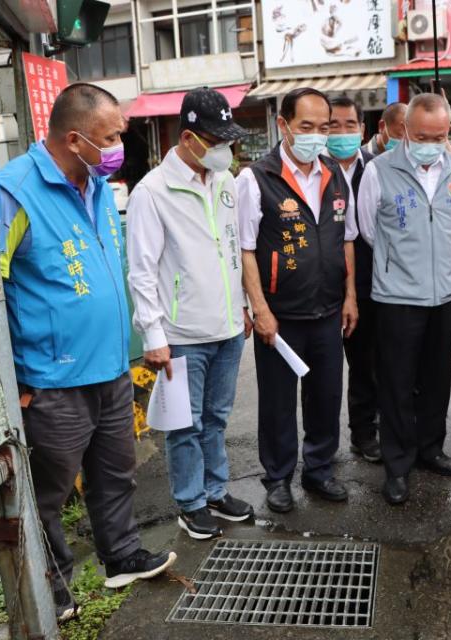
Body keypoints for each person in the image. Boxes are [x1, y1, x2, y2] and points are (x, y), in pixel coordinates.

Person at [0, 83, 175, 621]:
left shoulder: (96, 183)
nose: (121, 144)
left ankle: (120, 556)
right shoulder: (16, 191)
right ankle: (52, 587)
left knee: (116, 472)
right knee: (48, 492)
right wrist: (15, 382)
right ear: (74, 139)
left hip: (109, 367)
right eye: (112, 136)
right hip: (51, 379)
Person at [126, 88, 254, 541]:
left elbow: (233, 250)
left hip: (227, 327)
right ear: (187, 138)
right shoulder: (152, 192)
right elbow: (141, 271)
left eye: (228, 141)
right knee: (186, 424)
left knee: (217, 417)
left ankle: (216, 490)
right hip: (181, 333)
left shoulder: (226, 182)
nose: (226, 149)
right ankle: (191, 502)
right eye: (216, 140)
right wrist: (153, 336)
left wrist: (242, 306)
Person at [237, 87, 359, 513]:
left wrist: (350, 297)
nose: (316, 136)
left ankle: (320, 469)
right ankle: (277, 477)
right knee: (277, 402)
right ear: (283, 125)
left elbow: (347, 239)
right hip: (281, 317)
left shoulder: (334, 173)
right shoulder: (256, 178)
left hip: (327, 309)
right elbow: (246, 249)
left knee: (326, 396)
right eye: (305, 127)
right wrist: (261, 310)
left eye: (322, 128)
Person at [357, 93, 451, 505]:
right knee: (397, 382)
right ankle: (398, 463)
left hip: (447, 291)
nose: (431, 143)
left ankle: (431, 448)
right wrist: (400, 264)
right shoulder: (379, 171)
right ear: (404, 130)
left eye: (440, 136)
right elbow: (368, 229)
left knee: (437, 376)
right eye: (423, 135)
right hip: (397, 295)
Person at [325, 95, 382, 463]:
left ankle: (365, 433)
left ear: (362, 129)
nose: (342, 132)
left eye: (350, 125)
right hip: (324, 286)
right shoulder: (313, 170)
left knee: (368, 365)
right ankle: (321, 447)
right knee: (323, 375)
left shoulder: (380, 167)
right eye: (333, 125)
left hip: (371, 283)